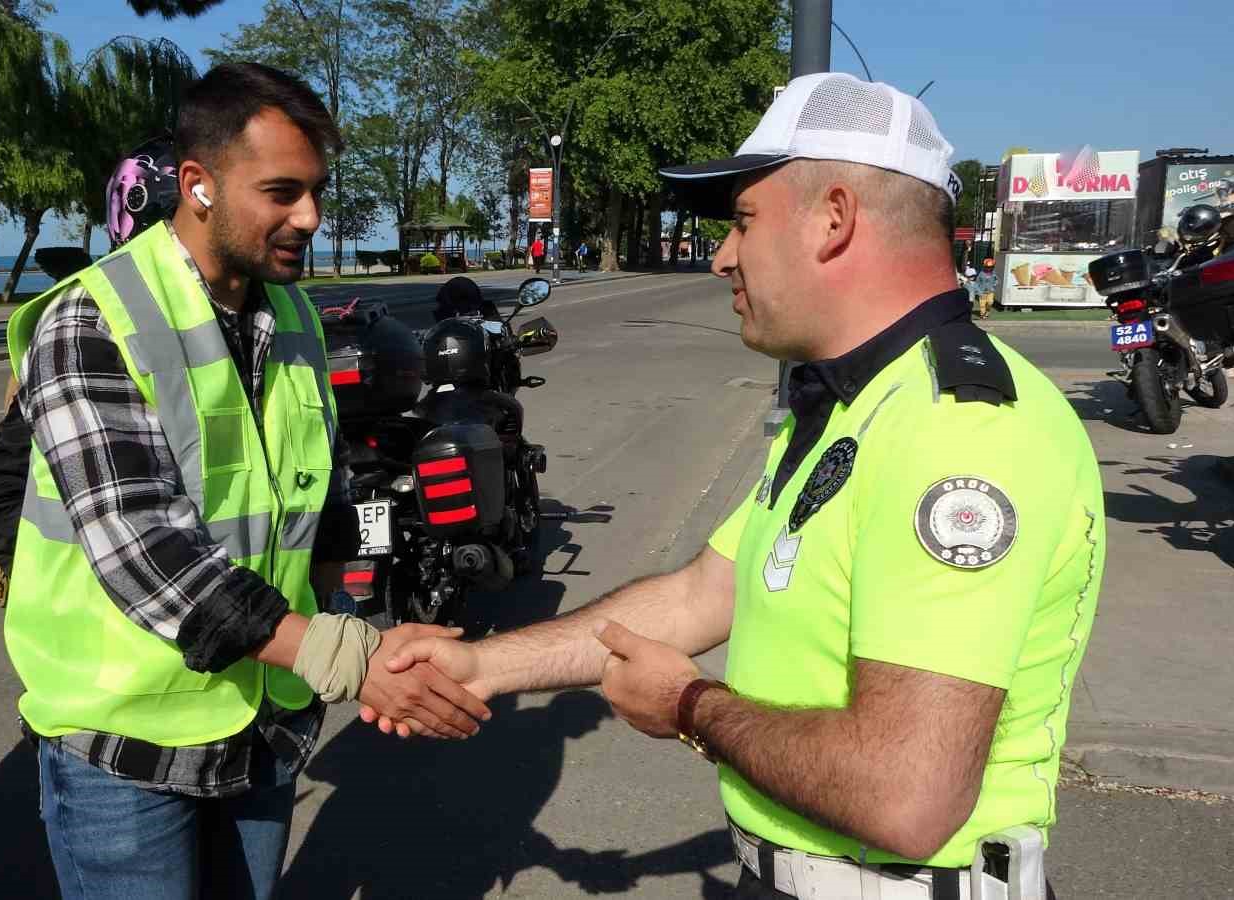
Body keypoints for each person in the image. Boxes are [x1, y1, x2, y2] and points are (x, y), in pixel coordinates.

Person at [363, 72, 1104, 899]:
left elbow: (907, 796)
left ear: (834, 218)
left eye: (743, 220)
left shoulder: (957, 429)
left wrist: (689, 706)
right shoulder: (855, 403)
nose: (721, 255)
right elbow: (703, 593)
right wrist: (482, 668)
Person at [4, 63, 488, 900]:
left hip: (264, 722)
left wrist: (358, 627)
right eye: (282, 192)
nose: (310, 218)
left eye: (316, 191)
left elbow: (320, 497)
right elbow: (147, 551)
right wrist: (348, 658)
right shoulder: (90, 321)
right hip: (129, 749)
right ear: (198, 186)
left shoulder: (293, 312)